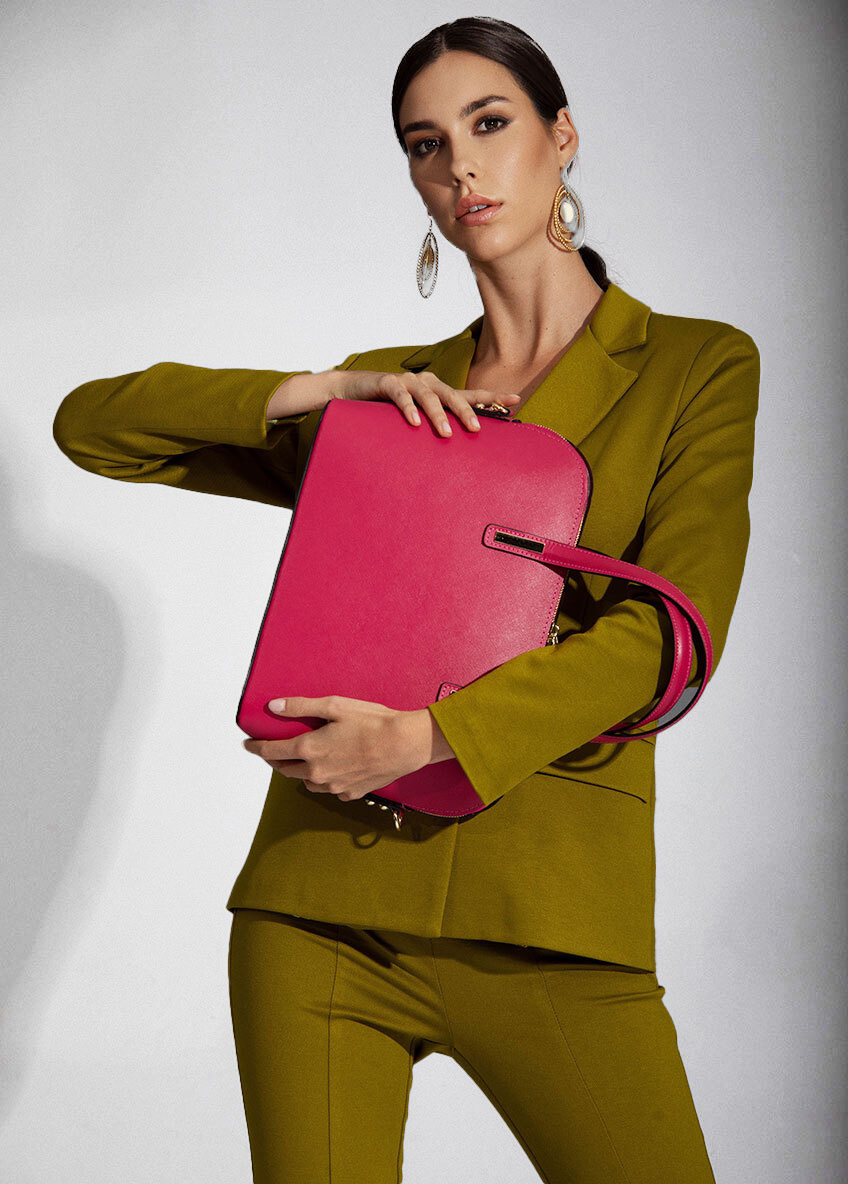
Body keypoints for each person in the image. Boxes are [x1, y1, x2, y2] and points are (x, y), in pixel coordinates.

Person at [52, 16, 760, 1184]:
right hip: (317, 908)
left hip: (545, 914)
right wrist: (334, 387)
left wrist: (427, 739)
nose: (460, 167)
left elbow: (667, 637)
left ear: (561, 135)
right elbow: (94, 425)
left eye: (489, 123)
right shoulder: (397, 399)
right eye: (425, 144)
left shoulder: (695, 365)